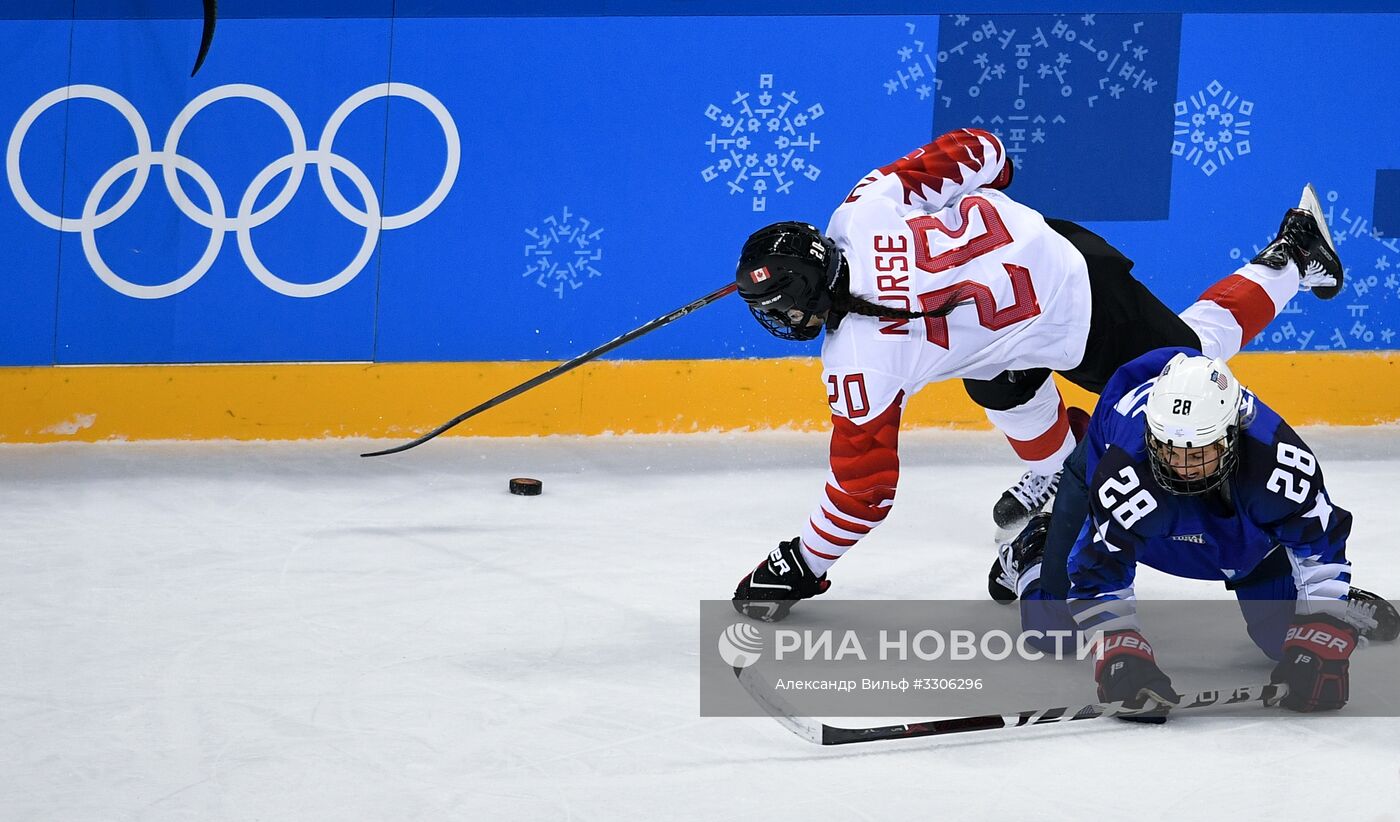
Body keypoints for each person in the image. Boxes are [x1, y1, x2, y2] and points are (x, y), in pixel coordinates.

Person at [731, 126, 1344, 623]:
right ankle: (1058, 475)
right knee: (994, 372)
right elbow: (984, 149)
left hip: (1078, 306)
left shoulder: (861, 360)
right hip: (1047, 255)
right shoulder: (860, 209)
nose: (782, 319)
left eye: (783, 306)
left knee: (1191, 365)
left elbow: (863, 492)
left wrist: (801, 562)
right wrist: (992, 201)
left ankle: (1294, 257)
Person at [990, 348, 1398, 719]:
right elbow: (1099, 576)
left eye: (1198, 452)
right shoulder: (1126, 472)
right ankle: (1035, 550)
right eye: (1169, 449)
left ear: (1230, 435)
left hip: (1231, 521)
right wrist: (1119, 651)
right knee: (1053, 631)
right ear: (1153, 435)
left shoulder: (1277, 463)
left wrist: (1321, 623)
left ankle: (1320, 597)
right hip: (1119, 492)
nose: (1181, 468)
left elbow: (1319, 544)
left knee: (1285, 641)